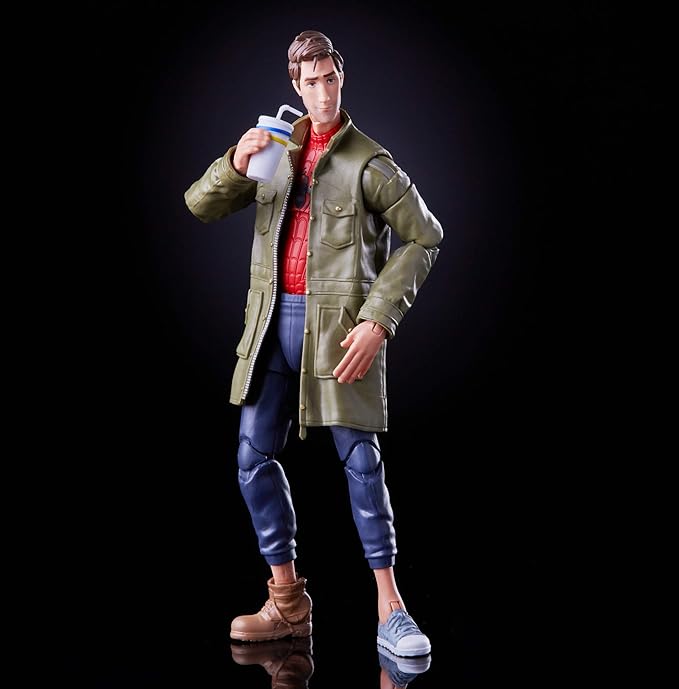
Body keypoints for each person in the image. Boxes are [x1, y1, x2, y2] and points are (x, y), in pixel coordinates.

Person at [184, 30, 443, 657]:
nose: (323, 92)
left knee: (361, 464)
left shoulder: (369, 162)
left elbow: (424, 237)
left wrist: (378, 320)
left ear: (341, 78)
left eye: (330, 78)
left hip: (338, 332)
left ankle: (391, 607)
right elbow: (200, 206)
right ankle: (286, 600)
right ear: (294, 87)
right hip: (270, 324)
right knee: (251, 459)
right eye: (311, 81)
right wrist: (235, 162)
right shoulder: (274, 148)